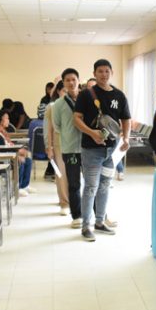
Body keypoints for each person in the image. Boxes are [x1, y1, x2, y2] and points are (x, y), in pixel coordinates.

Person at [73, 59, 130, 242]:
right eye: (100, 71)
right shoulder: (86, 95)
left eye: (106, 71)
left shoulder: (119, 96)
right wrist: (92, 133)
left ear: (111, 72)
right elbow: (77, 119)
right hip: (91, 150)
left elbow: (126, 119)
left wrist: (126, 138)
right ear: (94, 73)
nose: (103, 74)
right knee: (90, 187)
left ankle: (99, 222)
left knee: (105, 185)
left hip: (111, 152)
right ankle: (85, 226)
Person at [53, 68, 83, 228]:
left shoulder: (86, 99)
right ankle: (76, 215)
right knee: (73, 183)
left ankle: (97, 214)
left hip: (88, 148)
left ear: (78, 81)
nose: (71, 83)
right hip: (70, 149)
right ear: (63, 83)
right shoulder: (58, 104)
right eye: (67, 80)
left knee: (92, 183)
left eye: (74, 79)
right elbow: (57, 126)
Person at [0, 110, 32, 196]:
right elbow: (1, 149)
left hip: (9, 153)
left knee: (28, 160)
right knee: (21, 160)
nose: (9, 120)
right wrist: (17, 152)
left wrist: (18, 150)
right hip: (2, 158)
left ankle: (24, 185)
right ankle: (18, 188)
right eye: (7, 118)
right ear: (0, 120)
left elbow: (8, 144)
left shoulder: (3, 131)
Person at [44, 80, 69, 214]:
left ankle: (73, 200)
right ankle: (64, 203)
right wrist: (49, 147)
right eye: (64, 90)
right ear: (58, 91)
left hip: (74, 144)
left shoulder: (75, 104)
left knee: (74, 175)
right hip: (58, 144)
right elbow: (49, 129)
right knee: (61, 174)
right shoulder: (52, 106)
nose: (66, 93)